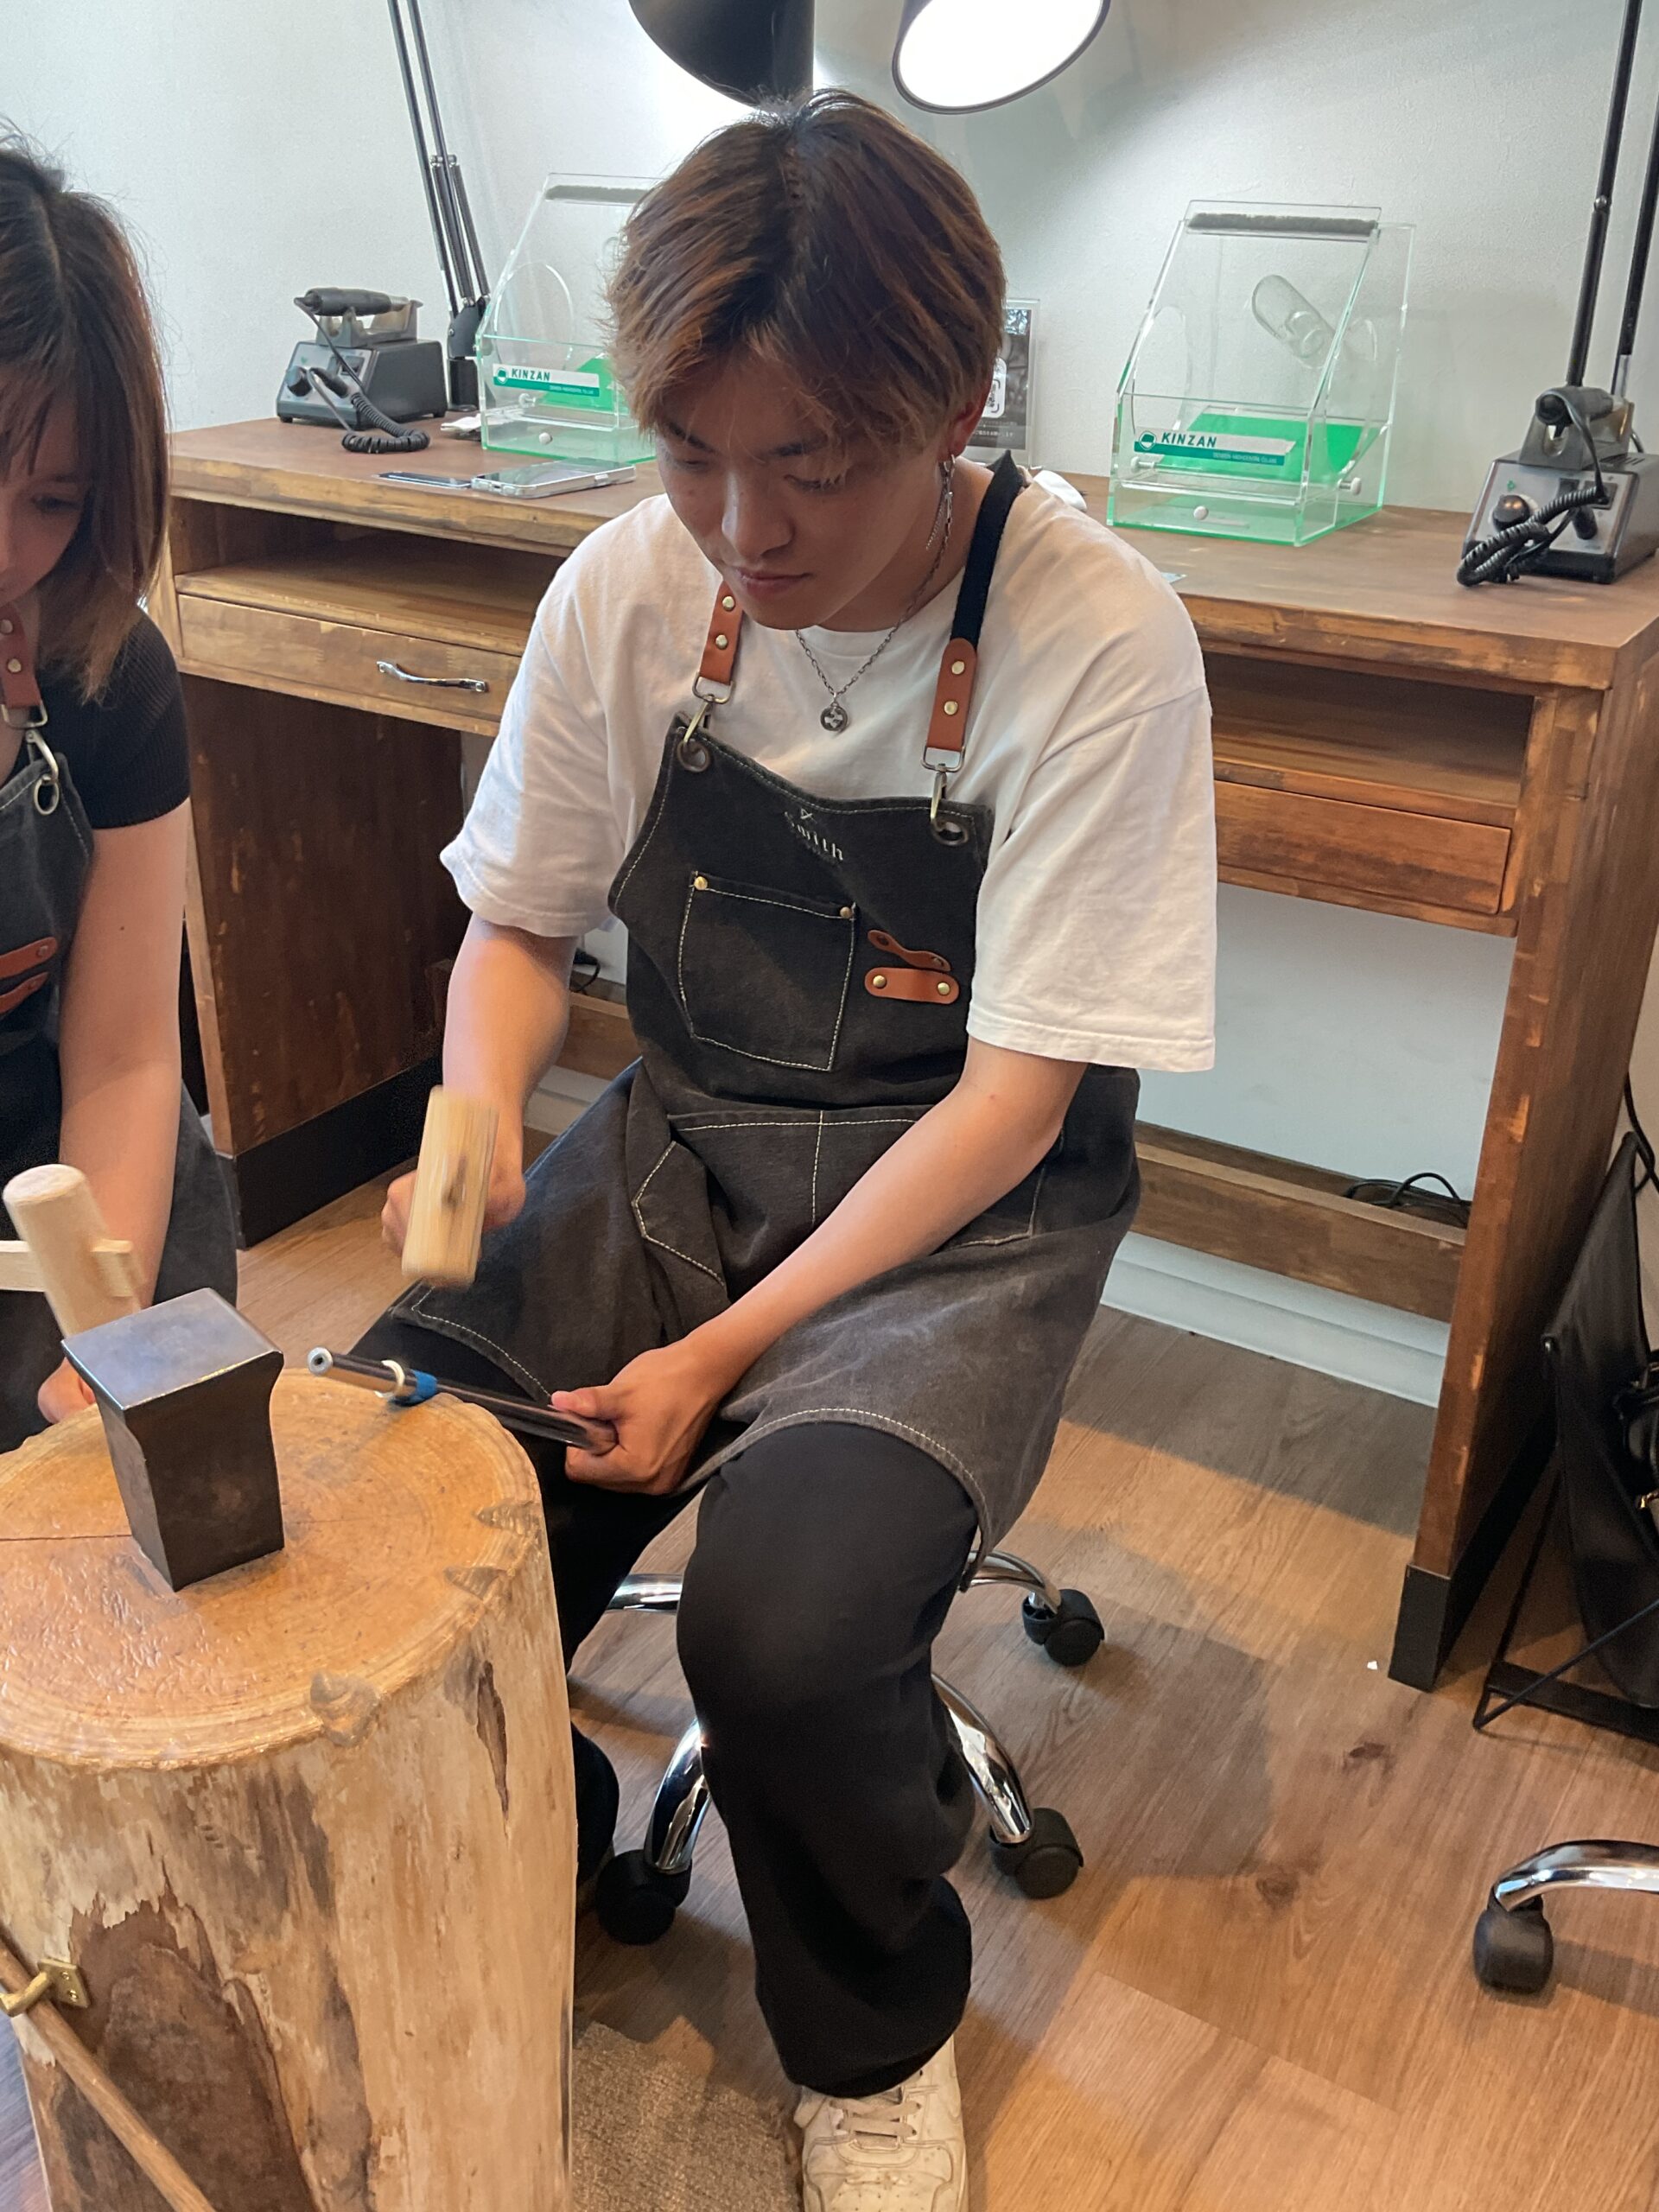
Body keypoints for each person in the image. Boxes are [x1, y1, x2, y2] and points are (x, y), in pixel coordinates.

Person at [366, 92, 1215, 2212]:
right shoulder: (630, 584)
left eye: (814, 463)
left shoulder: (1097, 637)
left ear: (954, 399)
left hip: (958, 1219)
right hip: (686, 1144)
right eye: (690, 452)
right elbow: (515, 924)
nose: (742, 526)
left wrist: (722, 1354)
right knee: (383, 1489)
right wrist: (470, 1119)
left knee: (785, 1623)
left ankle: (872, 2043)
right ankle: (525, 1851)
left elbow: (1014, 1102)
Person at [0, 141, 235, 1450]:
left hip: (80, 1166)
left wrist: (109, 1322)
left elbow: (128, 1057)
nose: (4, 553)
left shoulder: (106, 675)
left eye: (49, 501)